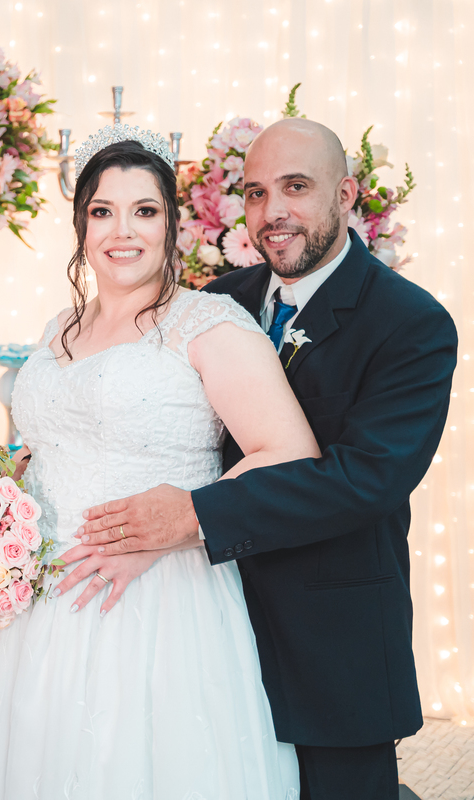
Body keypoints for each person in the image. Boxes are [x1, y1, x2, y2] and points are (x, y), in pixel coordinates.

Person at [72, 119, 458, 799]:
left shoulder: (410, 323)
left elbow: (363, 480)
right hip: (205, 628)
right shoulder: (220, 300)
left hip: (329, 644)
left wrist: (191, 516)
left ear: (347, 194)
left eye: (296, 187)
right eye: (255, 193)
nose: (272, 212)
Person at [0, 134, 317, 799]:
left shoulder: (209, 323)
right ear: (81, 225)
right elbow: (50, 443)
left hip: (154, 595)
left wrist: (177, 527)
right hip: (29, 594)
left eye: (145, 211)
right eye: (103, 211)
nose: (122, 231)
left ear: (172, 223)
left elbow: (288, 452)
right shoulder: (60, 327)